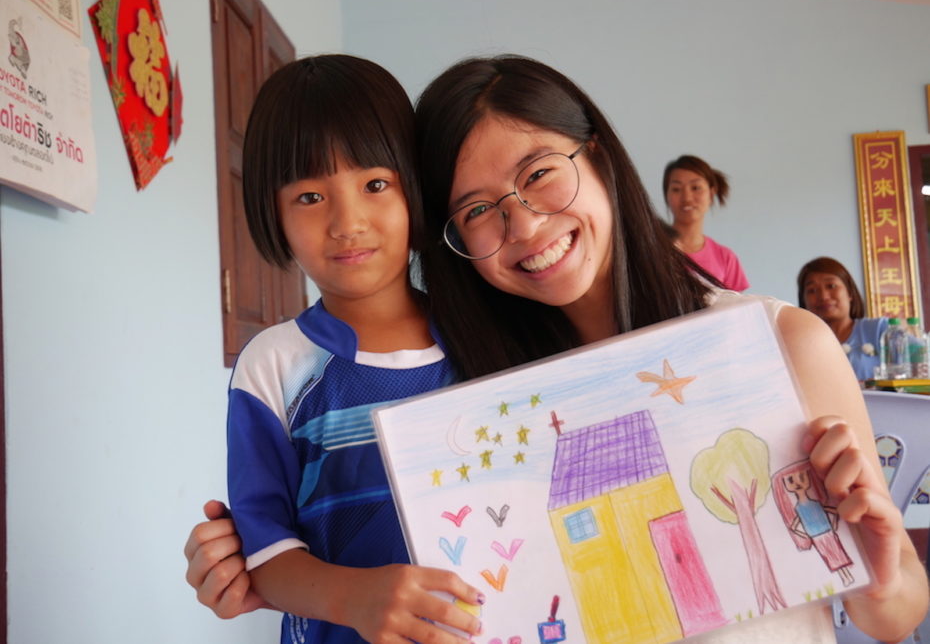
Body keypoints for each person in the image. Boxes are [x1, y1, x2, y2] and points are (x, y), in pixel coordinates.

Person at [186, 56, 928, 643]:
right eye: (477, 210)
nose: (525, 222)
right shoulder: (493, 380)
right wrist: (256, 562)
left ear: (597, 156)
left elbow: (892, 617)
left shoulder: (779, 343)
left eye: (539, 172)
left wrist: (882, 564)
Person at [215, 54, 483, 644]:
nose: (348, 221)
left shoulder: (480, 337)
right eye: (310, 197)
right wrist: (354, 598)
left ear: (413, 187)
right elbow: (264, 547)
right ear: (273, 214)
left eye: (375, 184)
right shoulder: (275, 366)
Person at [662, 154, 750, 292]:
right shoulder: (652, 250)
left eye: (695, 187)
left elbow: (737, 310)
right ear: (666, 195)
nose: (687, 197)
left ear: (711, 193)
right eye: (676, 189)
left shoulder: (726, 258)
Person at [797, 256, 888, 382]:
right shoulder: (798, 345)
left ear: (850, 292)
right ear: (803, 301)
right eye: (812, 290)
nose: (823, 296)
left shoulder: (879, 329)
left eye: (831, 286)